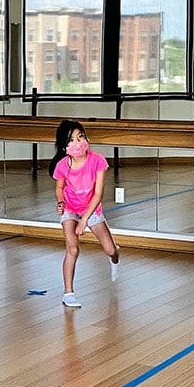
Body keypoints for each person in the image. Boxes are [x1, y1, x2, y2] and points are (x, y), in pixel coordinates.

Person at [49, 120, 120, 308]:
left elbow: (98, 194)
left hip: (91, 208)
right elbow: (59, 188)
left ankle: (115, 257)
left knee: (110, 250)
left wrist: (85, 220)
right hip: (70, 209)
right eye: (72, 140)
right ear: (64, 146)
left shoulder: (98, 161)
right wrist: (61, 202)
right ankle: (68, 293)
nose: (78, 142)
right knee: (72, 249)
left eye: (80, 137)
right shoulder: (62, 165)